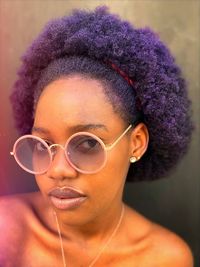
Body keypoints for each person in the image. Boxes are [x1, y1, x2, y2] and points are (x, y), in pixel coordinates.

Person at [0, 6, 194, 267]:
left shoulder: (165, 258)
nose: (57, 170)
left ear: (136, 143)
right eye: (44, 145)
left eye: (87, 143)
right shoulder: (7, 232)